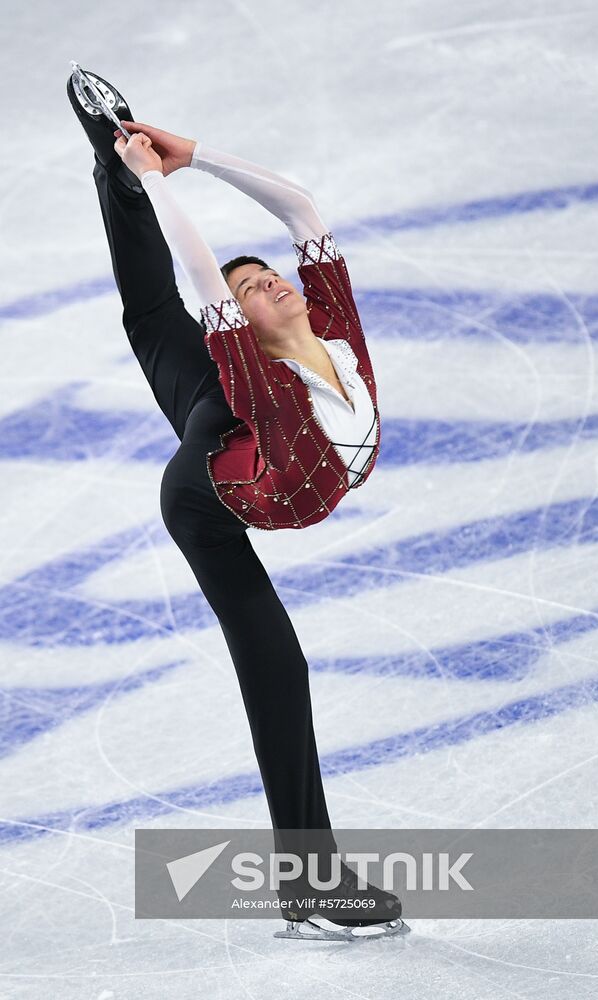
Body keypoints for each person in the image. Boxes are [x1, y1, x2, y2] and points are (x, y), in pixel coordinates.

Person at [67, 66, 407, 941]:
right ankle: (312, 885)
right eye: (253, 287)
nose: (271, 281)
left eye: (272, 277)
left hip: (259, 439)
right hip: (215, 489)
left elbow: (299, 209)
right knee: (280, 669)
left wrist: (191, 155)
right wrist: (149, 182)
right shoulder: (256, 372)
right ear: (243, 330)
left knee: (154, 320)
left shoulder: (331, 330)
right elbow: (197, 275)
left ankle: (113, 156)